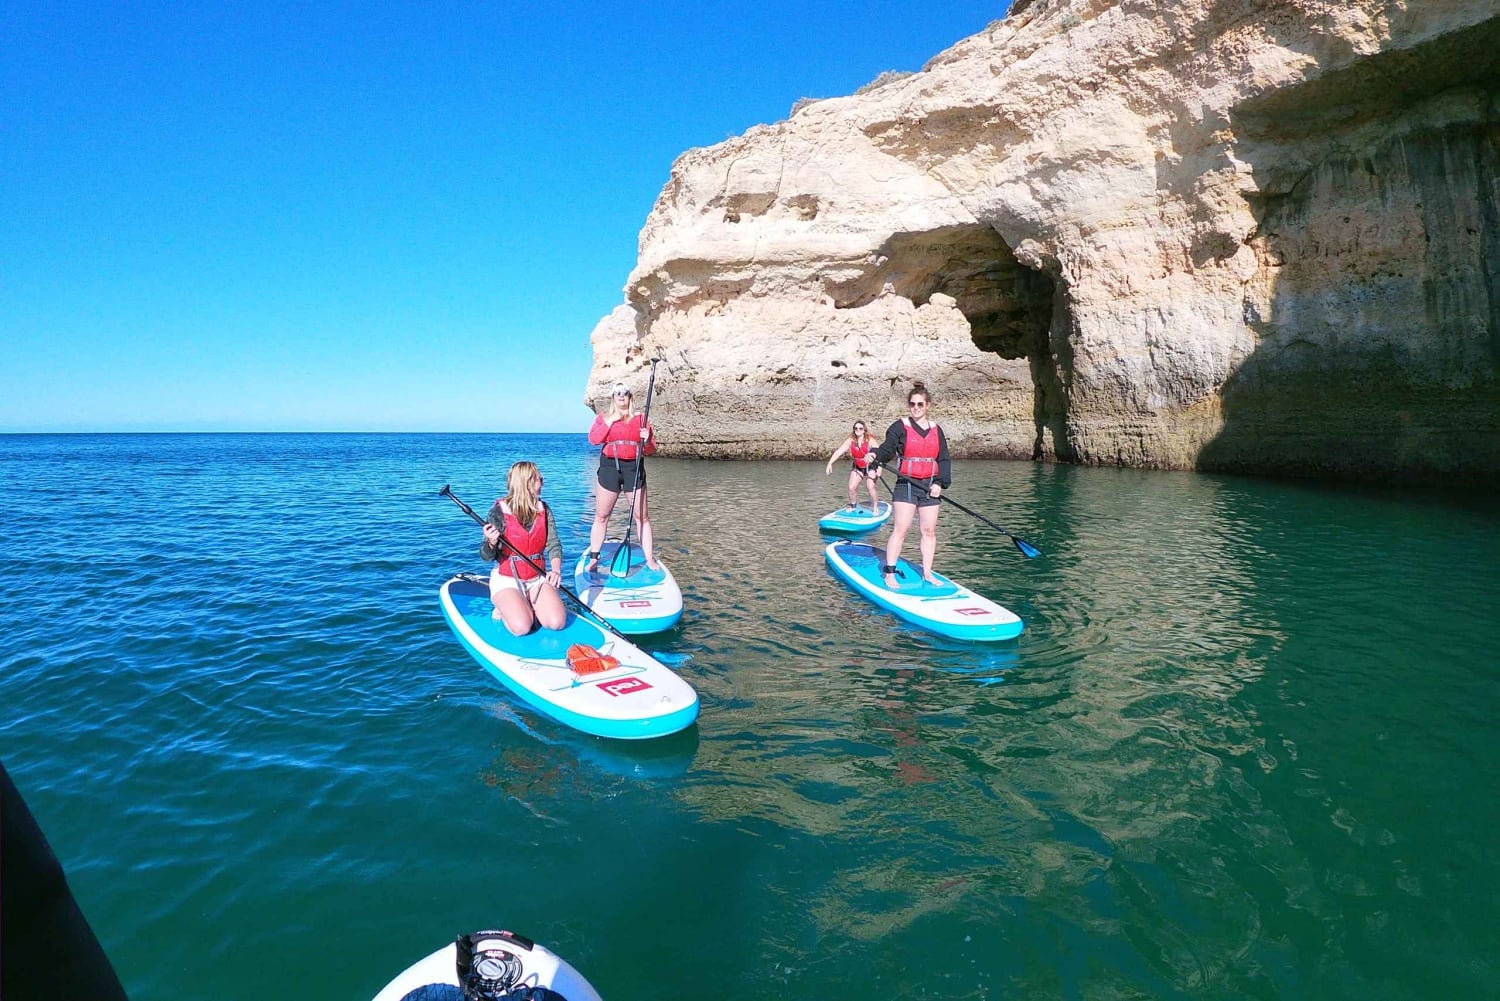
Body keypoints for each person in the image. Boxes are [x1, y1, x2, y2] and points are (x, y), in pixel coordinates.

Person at [867, 381, 951, 589]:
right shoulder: (899, 427)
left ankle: (928, 573)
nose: (916, 408)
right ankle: (889, 573)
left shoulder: (936, 430)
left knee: (929, 530)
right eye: (912, 404)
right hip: (906, 484)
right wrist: (875, 455)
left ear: (928, 405)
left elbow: (944, 460)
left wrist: (940, 482)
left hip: (930, 486)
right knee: (901, 529)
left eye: (920, 404)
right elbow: (887, 449)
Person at [480, 461, 566, 635]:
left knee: (556, 623)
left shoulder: (544, 509)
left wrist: (555, 571)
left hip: (537, 578)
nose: (543, 482)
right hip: (508, 579)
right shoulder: (498, 512)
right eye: (539, 479)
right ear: (526, 483)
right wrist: (491, 542)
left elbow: (553, 544)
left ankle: (527, 602)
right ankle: (505, 607)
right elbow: (486, 556)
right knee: (522, 628)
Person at [585, 380, 659, 571]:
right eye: (617, 393)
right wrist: (610, 421)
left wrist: (647, 439)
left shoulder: (641, 419)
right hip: (610, 468)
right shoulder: (604, 417)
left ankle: (649, 559)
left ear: (630, 397)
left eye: (625, 393)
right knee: (602, 516)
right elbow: (593, 439)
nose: (621, 396)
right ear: (613, 397)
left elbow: (651, 449)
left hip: (633, 468)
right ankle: (594, 557)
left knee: (641, 517)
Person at [824, 419, 880, 512]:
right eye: (856, 428)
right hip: (857, 466)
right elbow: (839, 451)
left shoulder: (869, 440)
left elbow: (878, 452)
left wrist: (879, 469)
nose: (858, 430)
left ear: (864, 430)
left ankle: (875, 506)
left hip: (870, 466)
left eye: (860, 428)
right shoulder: (851, 440)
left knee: (870, 487)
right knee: (851, 488)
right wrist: (830, 463)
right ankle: (853, 506)